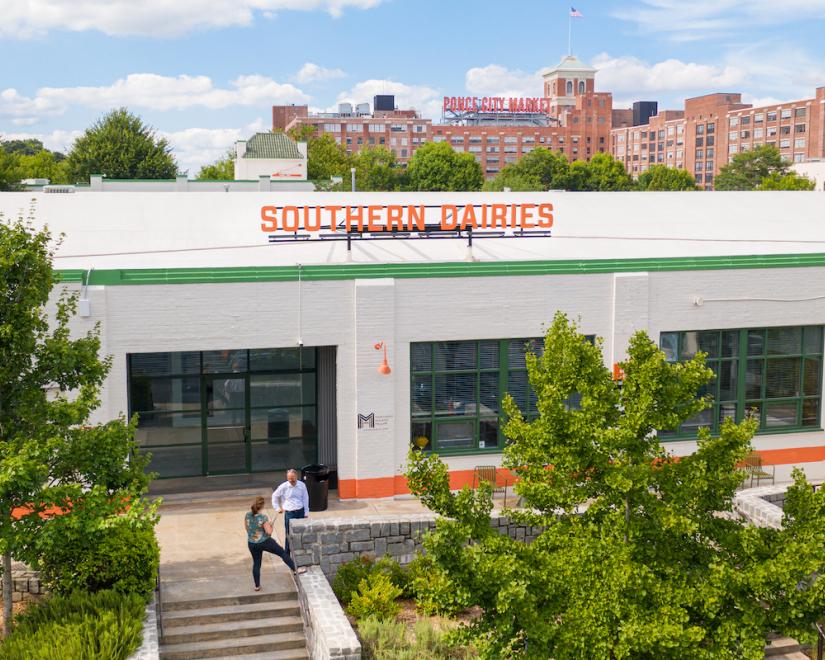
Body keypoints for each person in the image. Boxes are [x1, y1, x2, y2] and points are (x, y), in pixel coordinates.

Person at [244, 496, 300, 590]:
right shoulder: (263, 517)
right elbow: (269, 532)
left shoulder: (247, 515)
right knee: (282, 553)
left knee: (256, 564)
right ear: (262, 506)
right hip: (265, 542)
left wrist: (257, 532)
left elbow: (247, 528)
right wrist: (271, 526)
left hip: (252, 543)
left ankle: (257, 586)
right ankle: (295, 569)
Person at [272, 468, 309, 556]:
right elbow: (274, 496)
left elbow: (305, 498)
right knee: (288, 533)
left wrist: (306, 512)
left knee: (301, 532)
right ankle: (287, 553)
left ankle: (300, 551)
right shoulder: (284, 486)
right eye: (289, 478)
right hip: (289, 513)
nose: (291, 480)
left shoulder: (302, 485)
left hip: (300, 511)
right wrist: (277, 508)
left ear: (296, 476)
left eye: (292, 478)